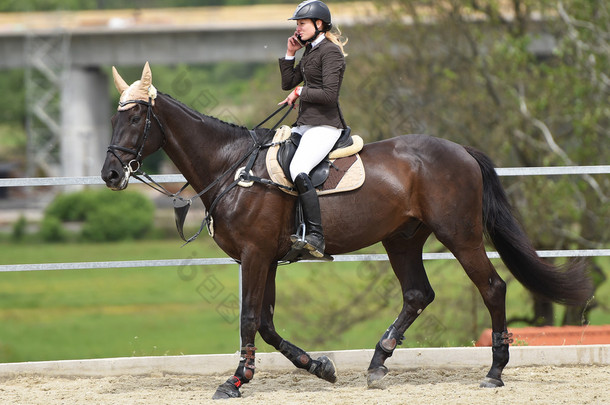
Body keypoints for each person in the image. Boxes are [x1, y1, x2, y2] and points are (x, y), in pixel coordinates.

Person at [278, 0, 348, 258]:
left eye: (302, 23)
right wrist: (290, 52)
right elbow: (288, 83)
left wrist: (301, 91)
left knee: (298, 168)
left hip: (325, 127)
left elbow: (329, 94)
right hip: (305, 126)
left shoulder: (330, 53)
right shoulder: (310, 51)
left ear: (319, 24)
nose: (298, 29)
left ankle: (316, 236)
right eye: (297, 24)